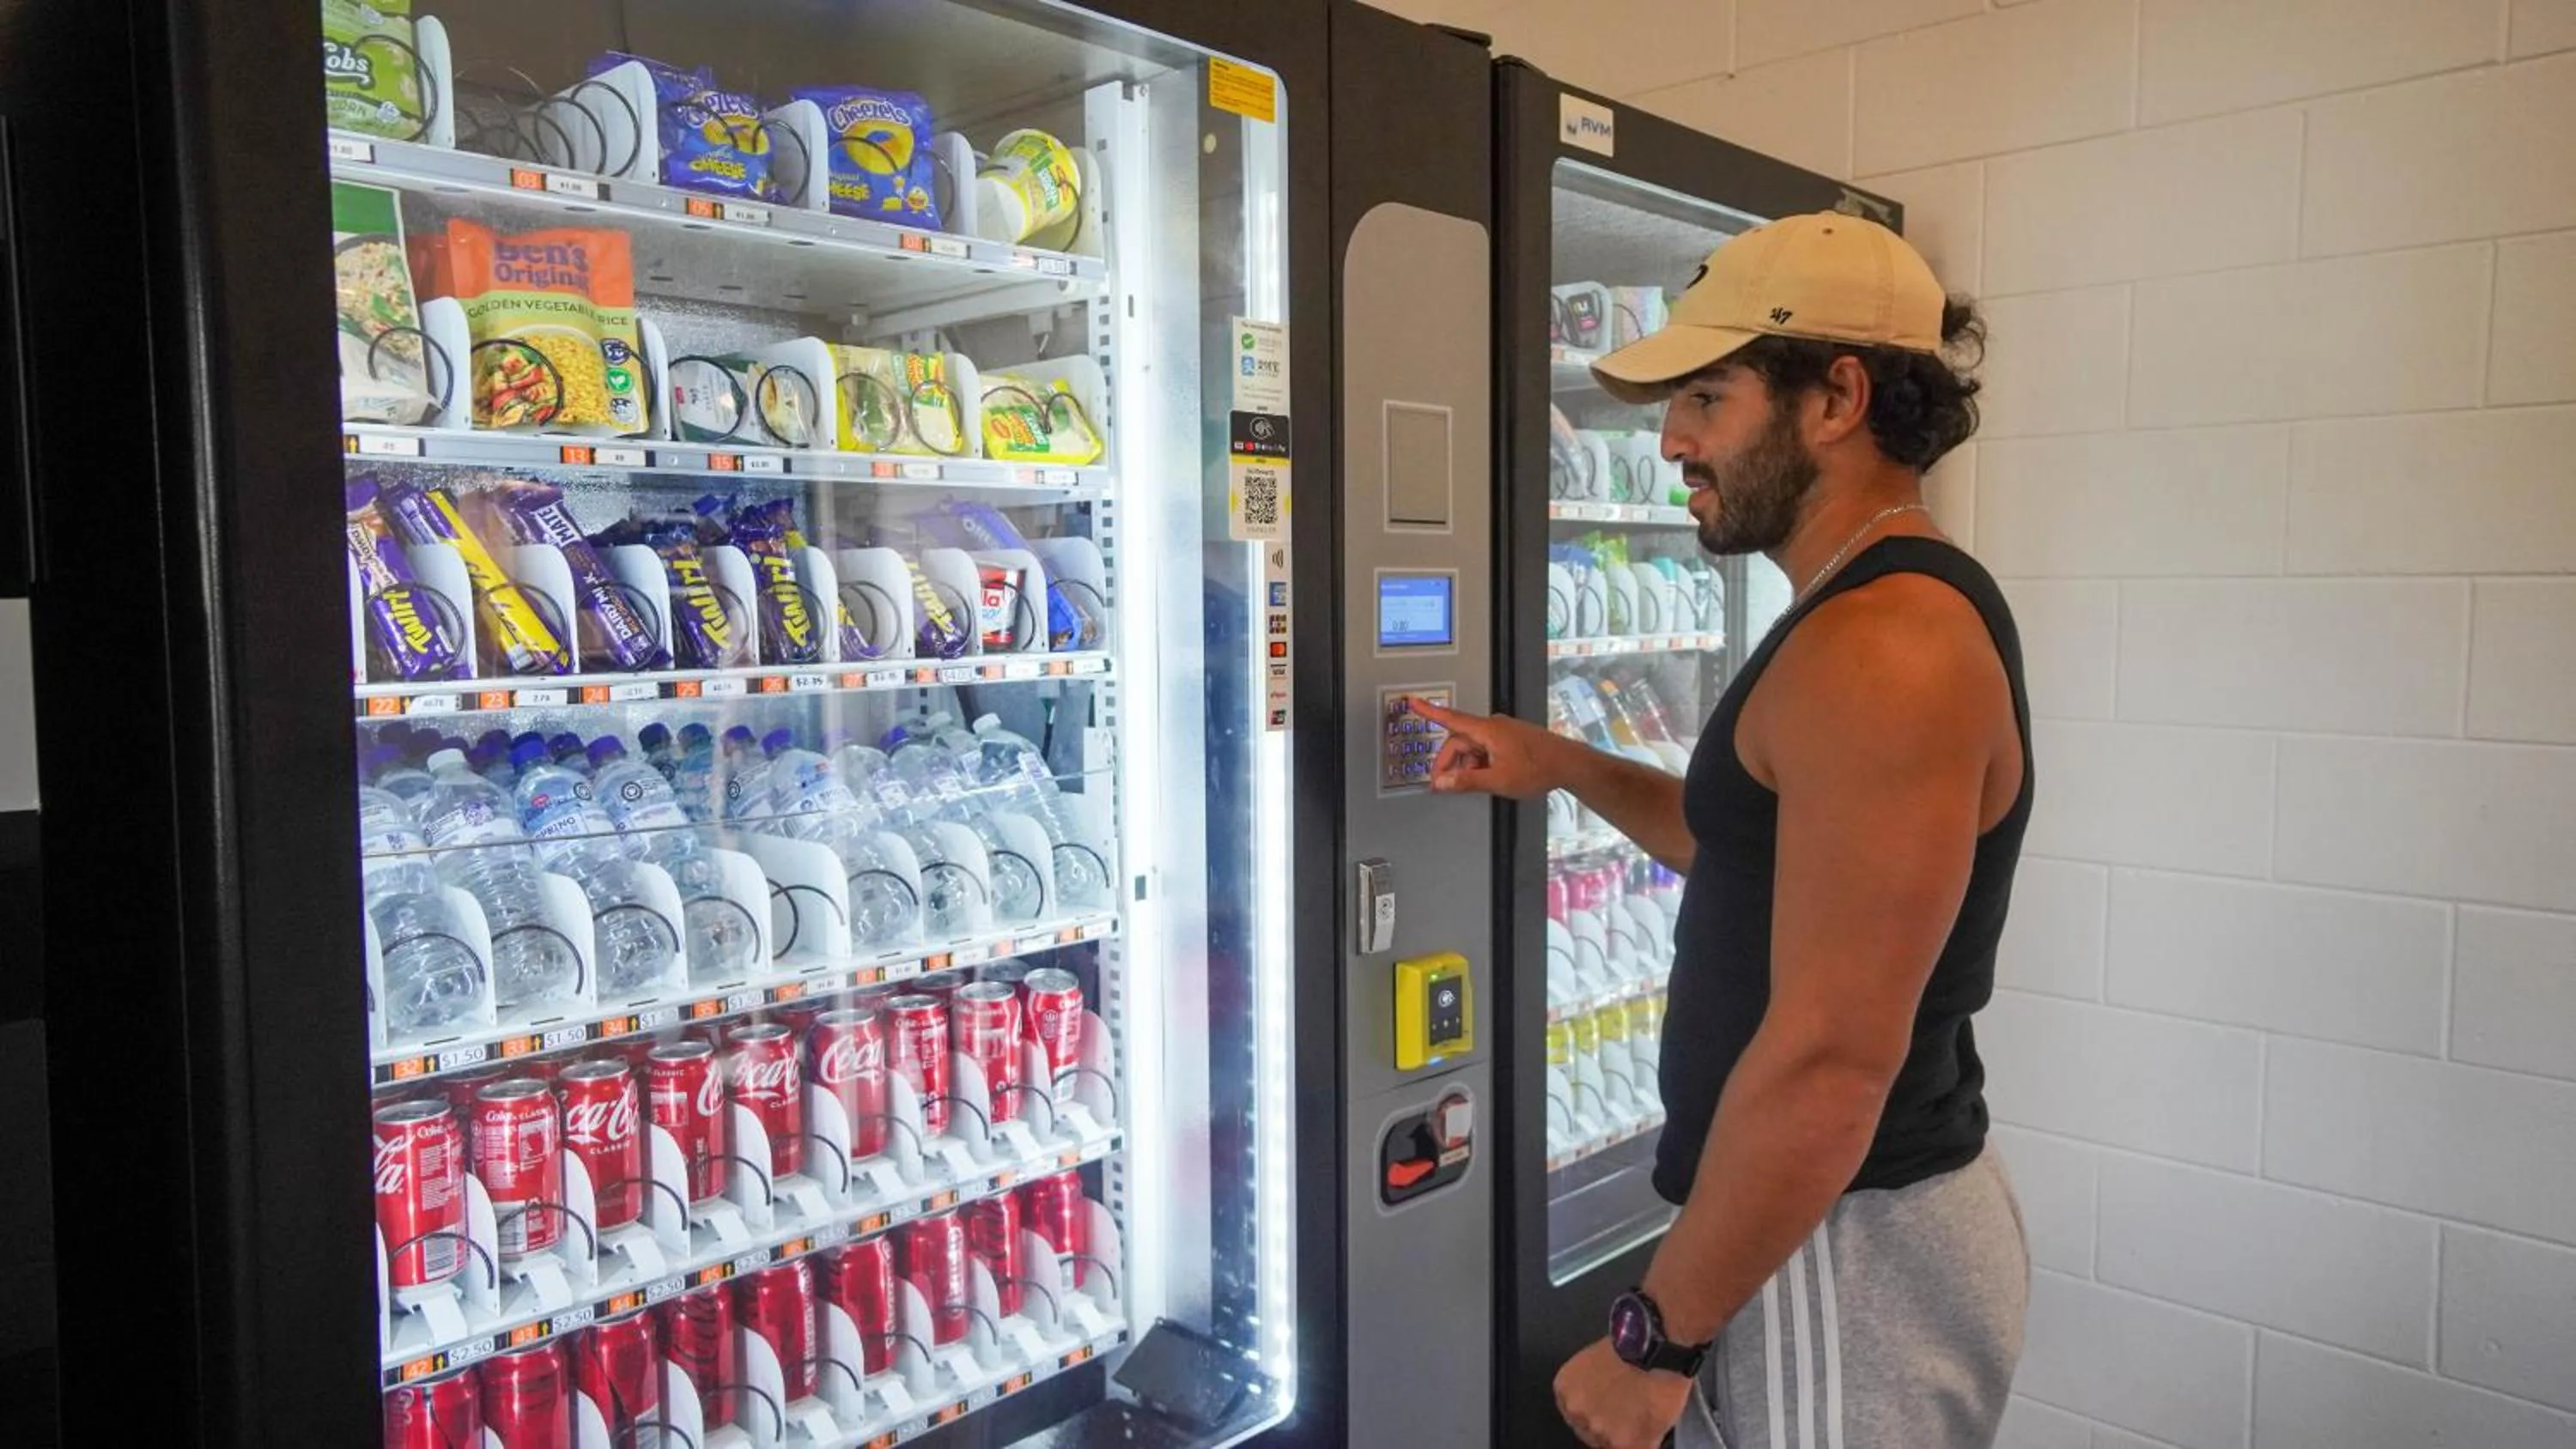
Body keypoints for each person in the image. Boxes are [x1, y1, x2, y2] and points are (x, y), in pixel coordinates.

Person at [1415, 213, 2031, 1447]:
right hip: (1815, 1233)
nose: (1672, 441)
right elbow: (1746, 854)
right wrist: (1565, 764)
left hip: (1839, 1251)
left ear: (1837, 397)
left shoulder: (1886, 646)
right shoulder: (1856, 611)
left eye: (1707, 396)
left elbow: (1833, 1057)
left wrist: (1659, 1337)